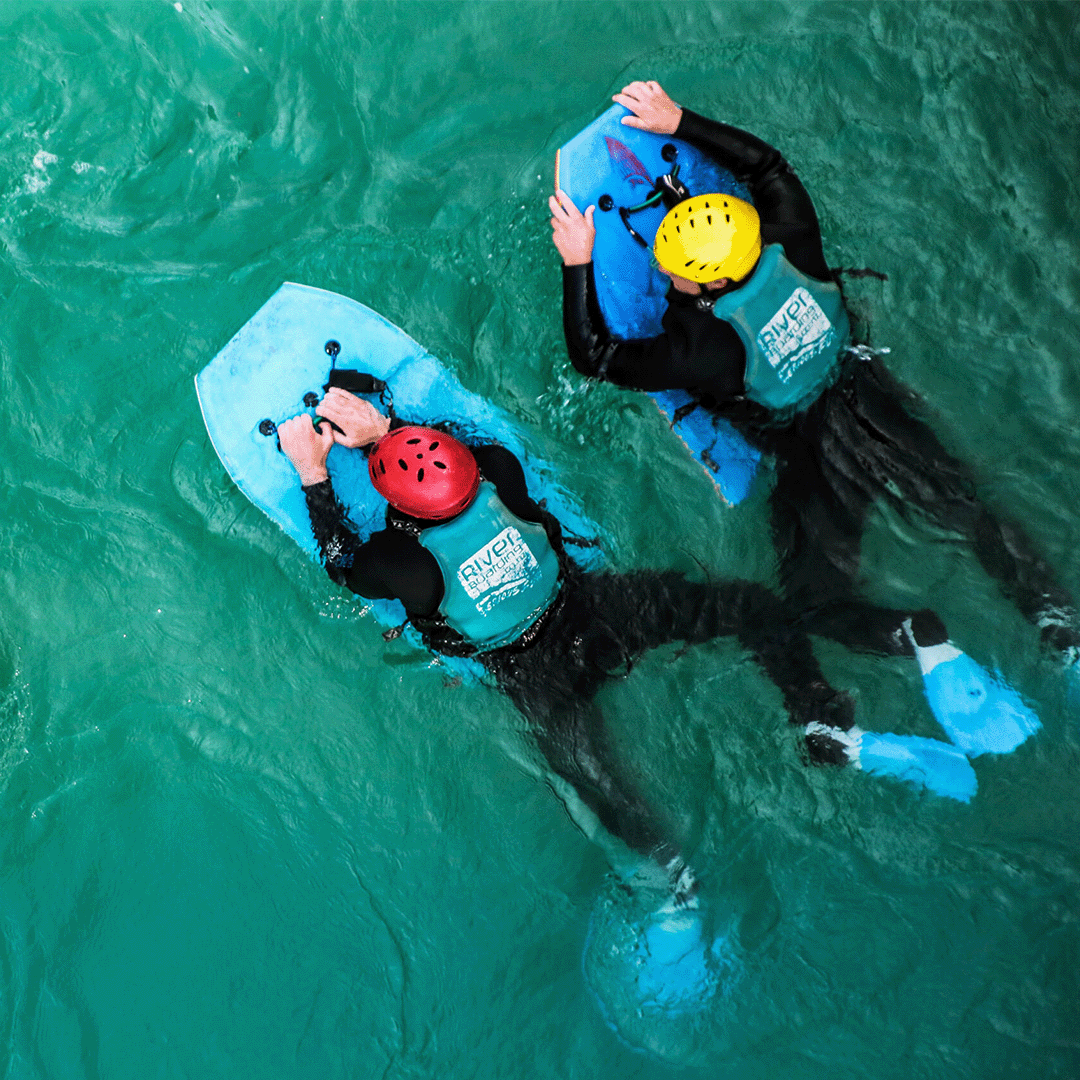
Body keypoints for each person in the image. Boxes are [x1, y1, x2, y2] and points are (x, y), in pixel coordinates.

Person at [549, 80, 1071, 761]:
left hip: (812, 457)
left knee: (815, 606)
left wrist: (578, 262)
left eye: (675, 273)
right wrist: (679, 120)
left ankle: (918, 636)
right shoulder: (794, 238)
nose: (664, 273)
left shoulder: (699, 349)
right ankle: (1061, 628)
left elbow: (595, 355)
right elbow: (768, 165)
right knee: (971, 512)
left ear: (708, 286)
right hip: (873, 400)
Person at [276, 385, 872, 882]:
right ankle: (818, 712)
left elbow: (341, 562)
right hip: (594, 609)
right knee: (749, 606)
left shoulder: (397, 561)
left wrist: (313, 473)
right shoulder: (498, 469)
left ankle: (672, 876)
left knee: (593, 781)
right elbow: (459, 442)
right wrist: (388, 430)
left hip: (529, 673)